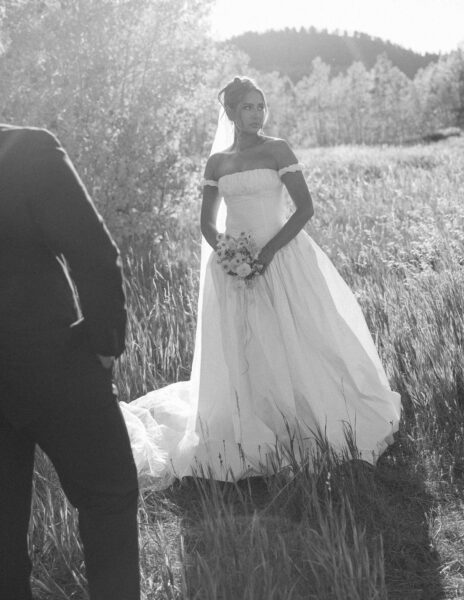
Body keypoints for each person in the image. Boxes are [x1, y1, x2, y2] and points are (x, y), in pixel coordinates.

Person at [121, 76, 401, 486]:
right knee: (243, 344)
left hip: (282, 258)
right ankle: (250, 423)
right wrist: (228, 254)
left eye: (260, 106)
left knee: (298, 337)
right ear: (231, 113)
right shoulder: (217, 163)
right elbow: (206, 223)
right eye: (247, 107)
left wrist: (267, 253)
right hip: (232, 266)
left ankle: (306, 419)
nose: (256, 114)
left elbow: (304, 209)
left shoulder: (277, 149)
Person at [0, 125, 140, 600]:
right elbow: (93, 251)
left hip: (47, 365)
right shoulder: (27, 149)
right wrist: (105, 344)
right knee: (108, 499)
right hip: (53, 363)